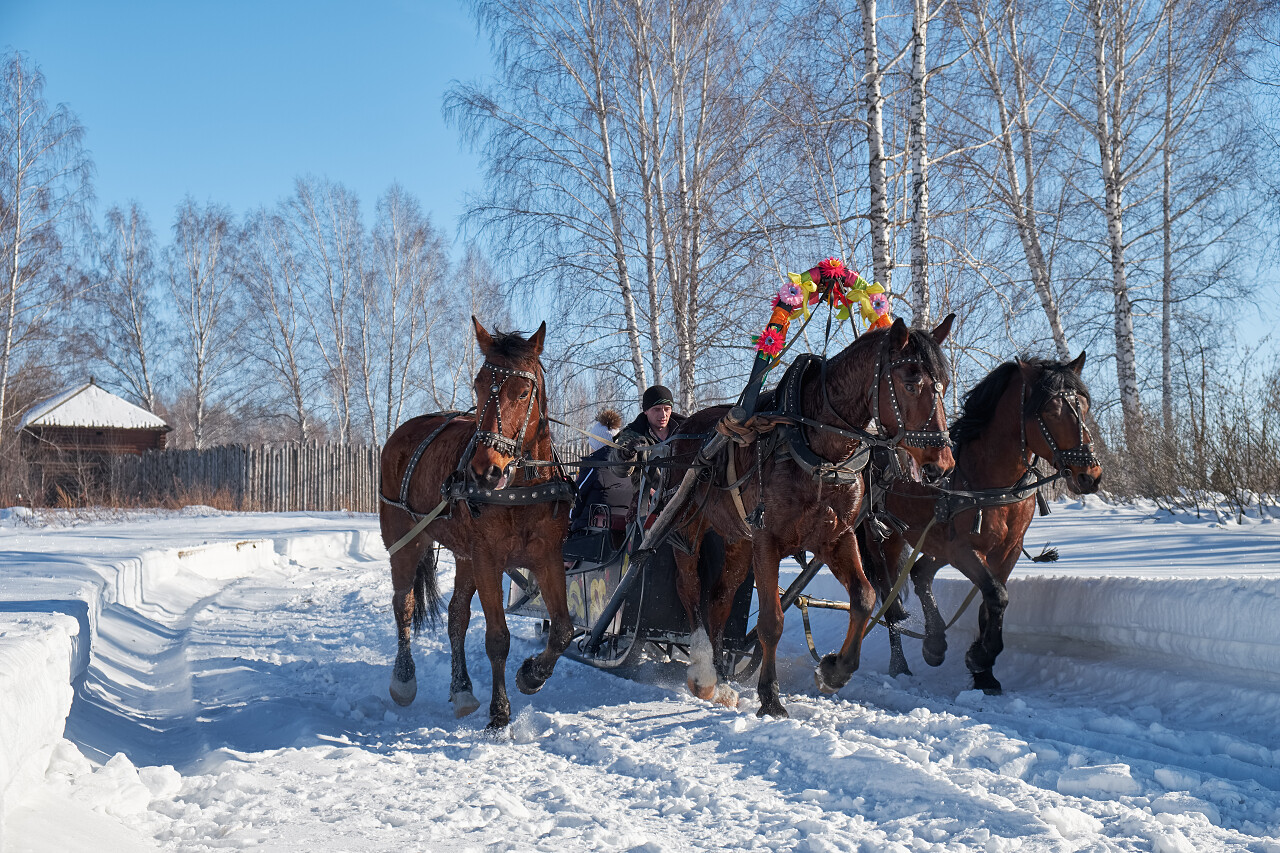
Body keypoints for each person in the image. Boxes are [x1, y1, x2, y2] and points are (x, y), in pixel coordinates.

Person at [608, 385, 686, 518]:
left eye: (667, 409)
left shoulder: (686, 432)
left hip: (684, 502)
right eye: (656, 409)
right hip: (647, 506)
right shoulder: (632, 434)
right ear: (646, 411)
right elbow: (617, 469)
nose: (663, 414)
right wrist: (626, 455)